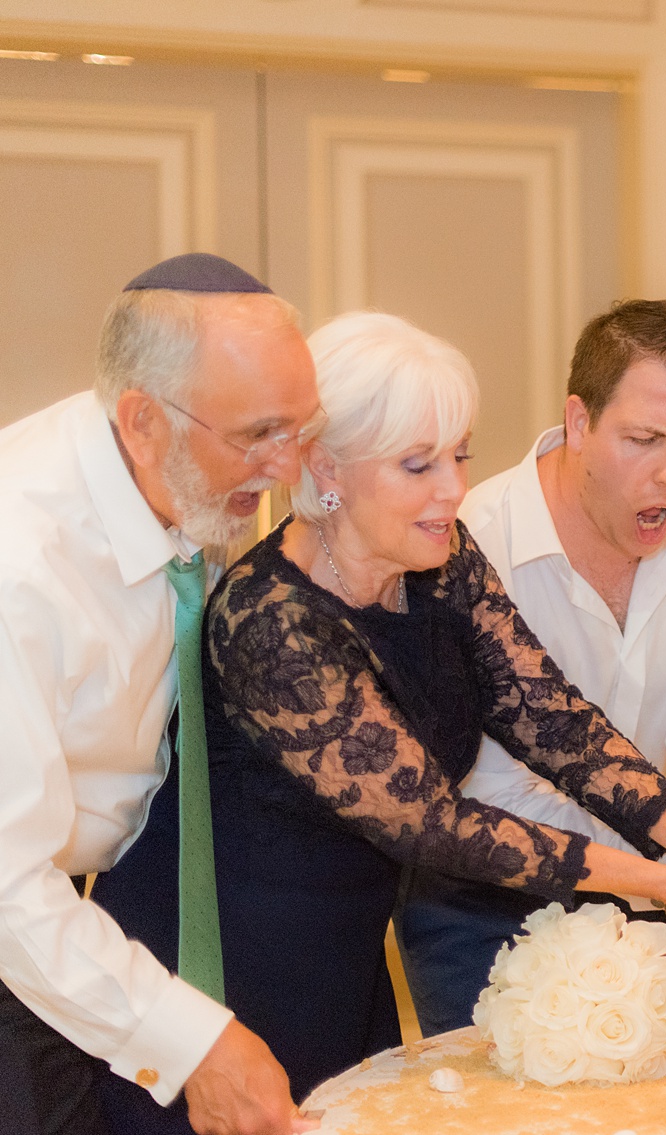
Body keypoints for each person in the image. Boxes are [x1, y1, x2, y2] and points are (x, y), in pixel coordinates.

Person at [93, 311, 666, 1131]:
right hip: (220, 974)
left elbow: (550, 716)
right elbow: (434, 824)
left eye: (459, 455)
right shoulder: (270, 620)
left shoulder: (439, 557)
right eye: (418, 464)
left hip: (344, 959)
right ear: (324, 466)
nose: (452, 488)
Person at [394, 299, 666, 1036]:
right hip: (483, 902)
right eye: (644, 439)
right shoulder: (469, 542)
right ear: (579, 422)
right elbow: (494, 775)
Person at [0, 254, 321, 1135]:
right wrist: (192, 1043)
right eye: (258, 434)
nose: (285, 466)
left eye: (300, 429)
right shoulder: (19, 563)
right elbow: (7, 886)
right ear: (142, 419)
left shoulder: (173, 475)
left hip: (82, 925)